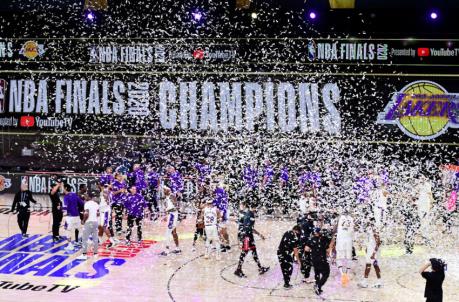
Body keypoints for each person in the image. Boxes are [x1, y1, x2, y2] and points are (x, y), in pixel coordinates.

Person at [234, 202, 269, 278]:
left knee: (254, 251)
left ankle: (260, 268)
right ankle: (238, 270)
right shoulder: (249, 215)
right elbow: (247, 228)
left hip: (249, 236)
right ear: (254, 208)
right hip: (246, 237)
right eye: (256, 208)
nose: (256, 210)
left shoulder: (249, 214)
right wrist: (244, 238)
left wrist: (259, 235)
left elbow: (249, 227)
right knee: (244, 252)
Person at [305, 227, 334, 296]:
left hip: (314, 259)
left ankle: (317, 286)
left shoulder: (311, 240)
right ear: (319, 232)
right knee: (326, 274)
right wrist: (329, 248)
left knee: (317, 273)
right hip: (322, 260)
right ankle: (319, 286)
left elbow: (306, 249)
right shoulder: (323, 239)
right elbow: (330, 243)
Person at [357, 221, 383, 288]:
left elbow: (378, 242)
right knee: (372, 265)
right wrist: (366, 249)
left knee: (373, 265)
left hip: (373, 252)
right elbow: (369, 241)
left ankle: (367, 282)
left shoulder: (374, 230)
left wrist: (374, 253)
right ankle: (375, 282)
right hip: (370, 251)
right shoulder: (369, 229)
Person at [77, 191, 100, 260]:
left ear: (89, 197)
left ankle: (84, 255)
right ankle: (95, 253)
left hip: (89, 222)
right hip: (95, 222)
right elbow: (98, 214)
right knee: (95, 238)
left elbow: (86, 214)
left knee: (84, 238)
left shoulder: (87, 204)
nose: (85, 197)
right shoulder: (96, 204)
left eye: (86, 195)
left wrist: (83, 220)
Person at [335, 209, 355, 286]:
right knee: (349, 258)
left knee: (339, 258)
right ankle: (346, 273)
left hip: (340, 240)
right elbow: (354, 229)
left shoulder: (340, 218)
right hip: (348, 240)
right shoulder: (351, 219)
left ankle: (342, 273)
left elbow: (335, 228)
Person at [63, 184, 84, 251]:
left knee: (67, 230)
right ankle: (84, 242)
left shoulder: (66, 197)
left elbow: (65, 207)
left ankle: (70, 245)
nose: (62, 189)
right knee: (79, 229)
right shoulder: (75, 195)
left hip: (70, 216)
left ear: (66, 188)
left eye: (63, 188)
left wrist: (61, 210)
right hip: (77, 215)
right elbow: (82, 203)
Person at [160, 187, 181, 255]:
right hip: (170, 215)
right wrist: (166, 216)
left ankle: (167, 250)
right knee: (173, 232)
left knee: (167, 232)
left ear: (169, 190)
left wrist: (169, 212)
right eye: (164, 190)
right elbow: (167, 209)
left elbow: (177, 206)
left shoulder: (172, 196)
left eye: (165, 190)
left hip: (173, 215)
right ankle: (177, 248)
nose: (164, 191)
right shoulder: (165, 199)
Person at [111, 173, 127, 238]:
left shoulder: (123, 183)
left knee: (120, 215)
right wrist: (119, 191)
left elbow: (125, 190)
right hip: (116, 202)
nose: (120, 177)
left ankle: (119, 228)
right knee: (118, 215)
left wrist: (125, 192)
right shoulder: (114, 183)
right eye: (119, 176)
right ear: (116, 177)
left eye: (121, 176)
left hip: (122, 201)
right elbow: (113, 193)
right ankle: (118, 229)